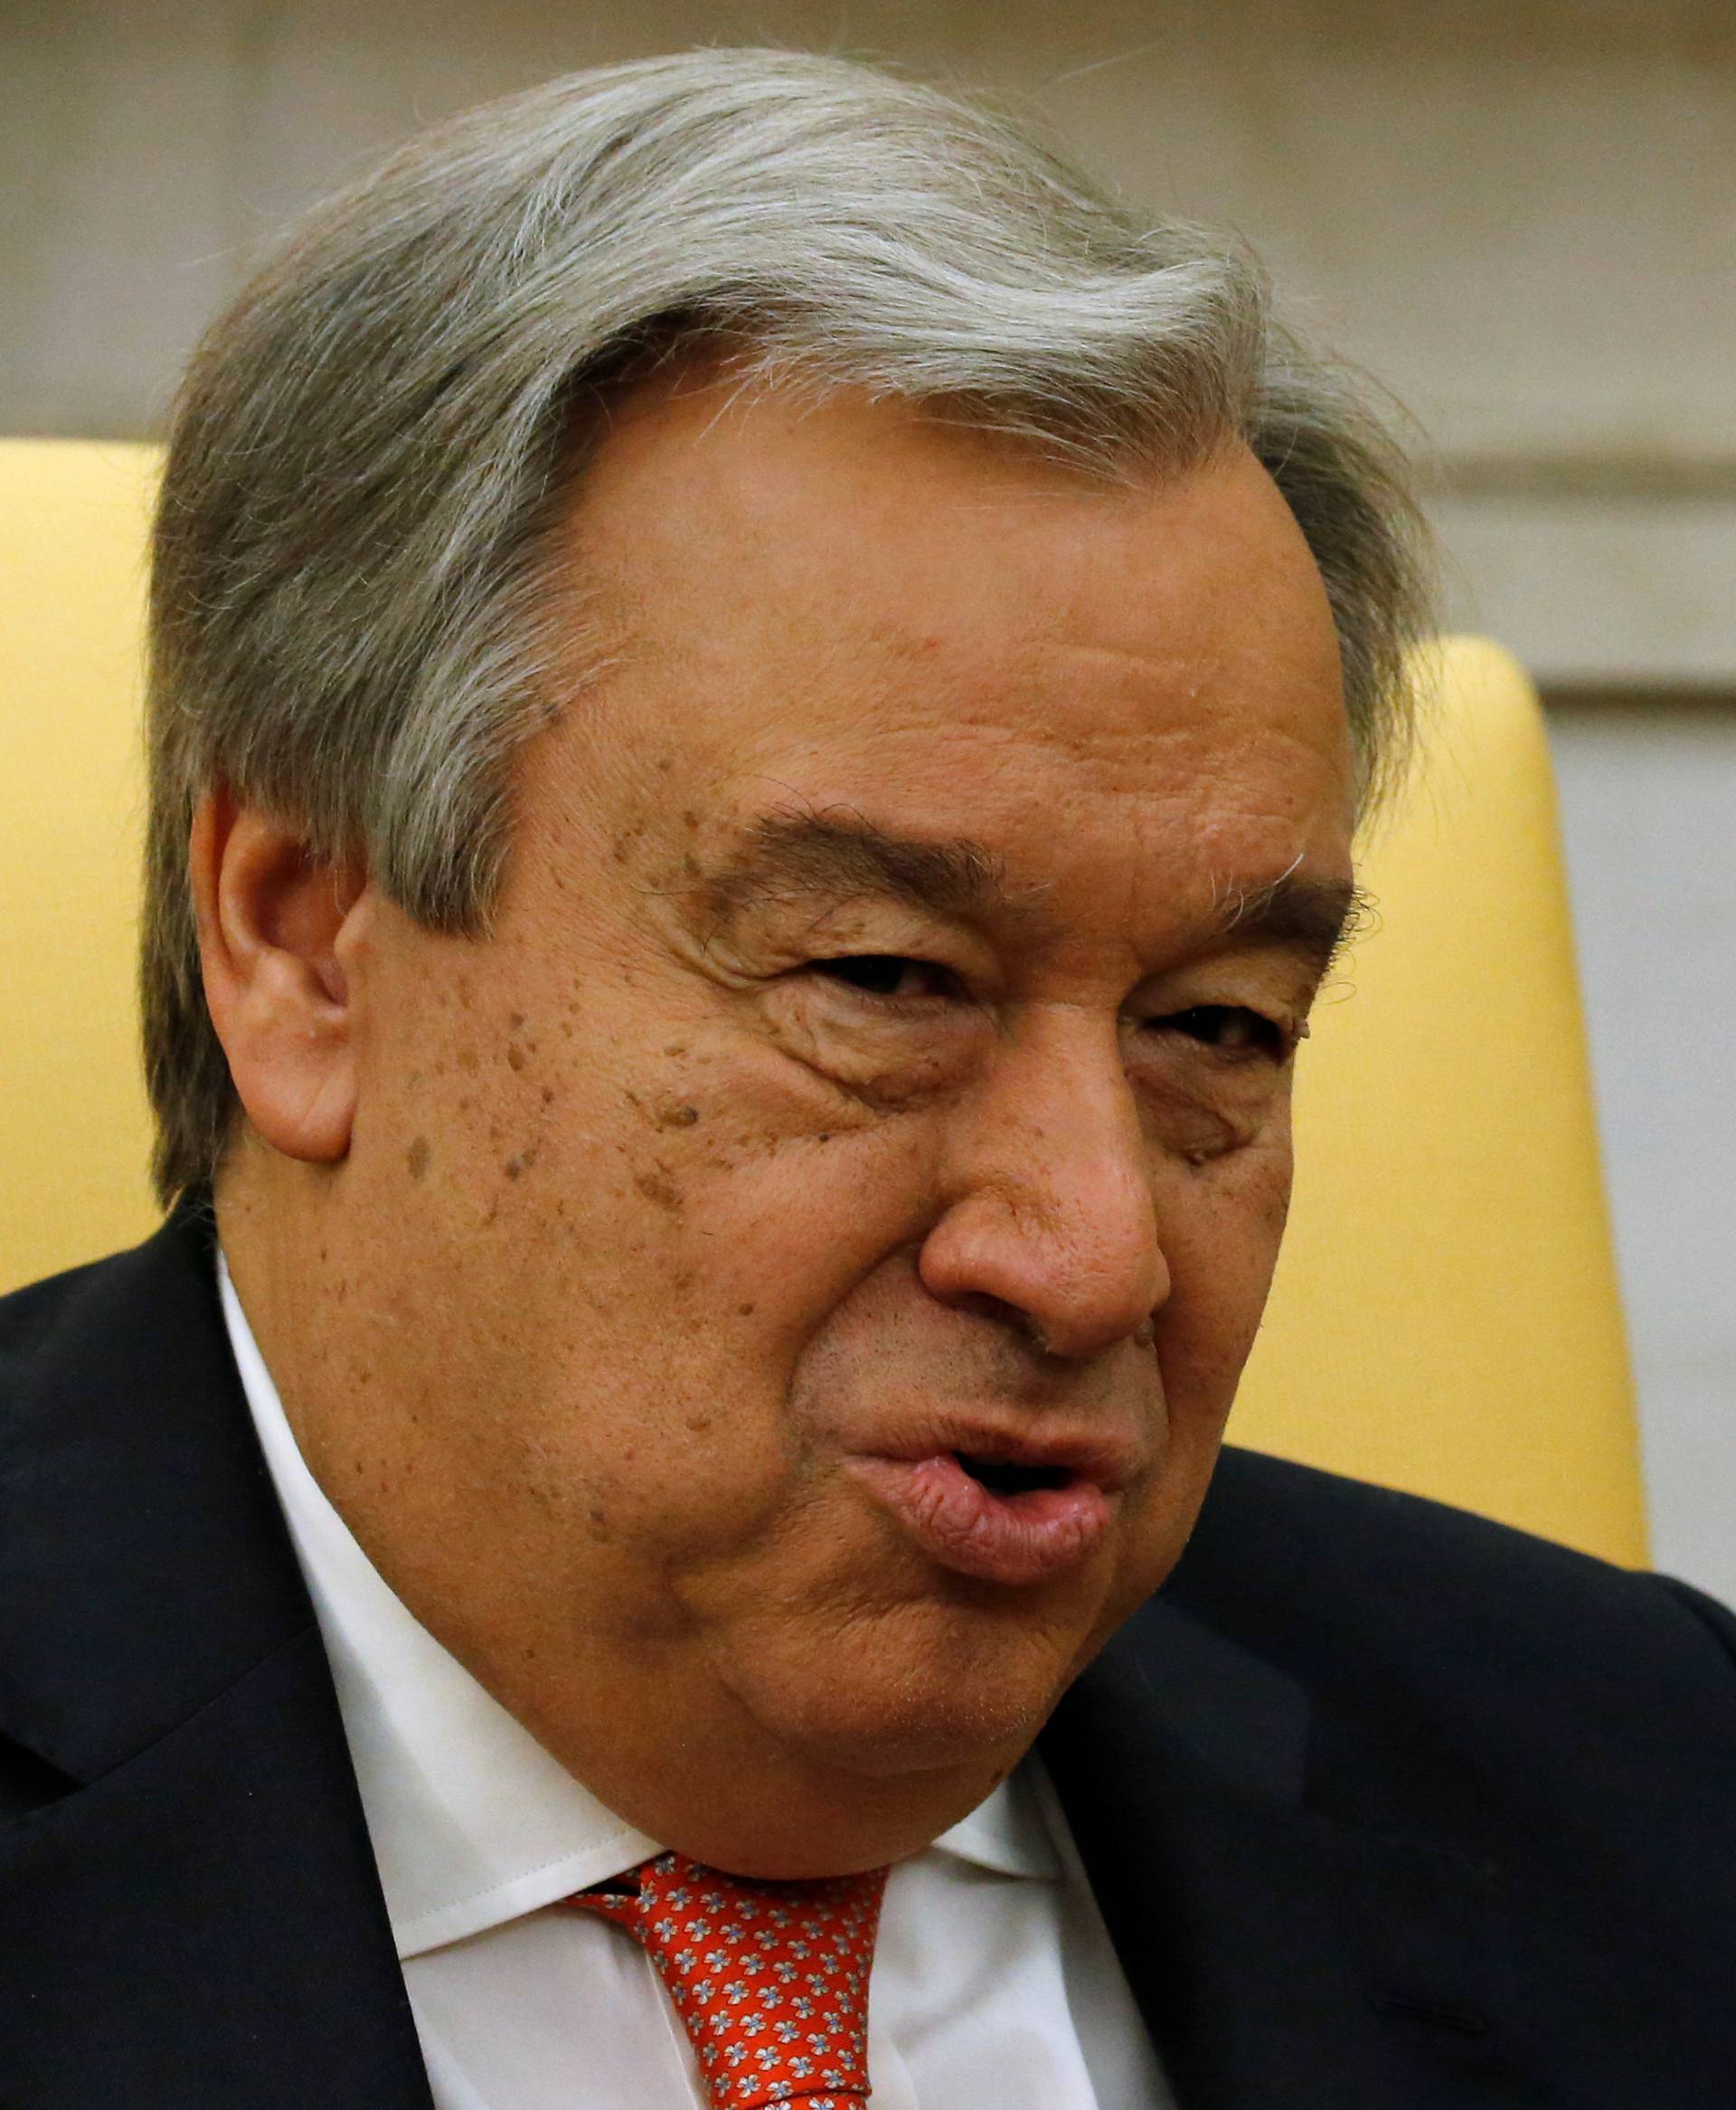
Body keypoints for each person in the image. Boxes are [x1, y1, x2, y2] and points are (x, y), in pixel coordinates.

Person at [2, 46, 1732, 2110]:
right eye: (888, 979)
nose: (1093, 1262)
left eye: (1214, 1029)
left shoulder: (1649, 1795)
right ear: (302, 943)